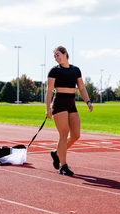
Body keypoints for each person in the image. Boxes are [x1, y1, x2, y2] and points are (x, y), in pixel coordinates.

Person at [45, 46, 93, 176]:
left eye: (58, 54)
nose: (56, 58)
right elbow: (49, 90)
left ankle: (56, 153)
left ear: (65, 54)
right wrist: (48, 108)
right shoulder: (54, 71)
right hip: (59, 102)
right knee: (63, 134)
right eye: (54, 56)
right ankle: (63, 166)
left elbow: (82, 88)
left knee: (76, 135)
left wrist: (88, 102)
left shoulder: (75, 70)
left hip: (71, 103)